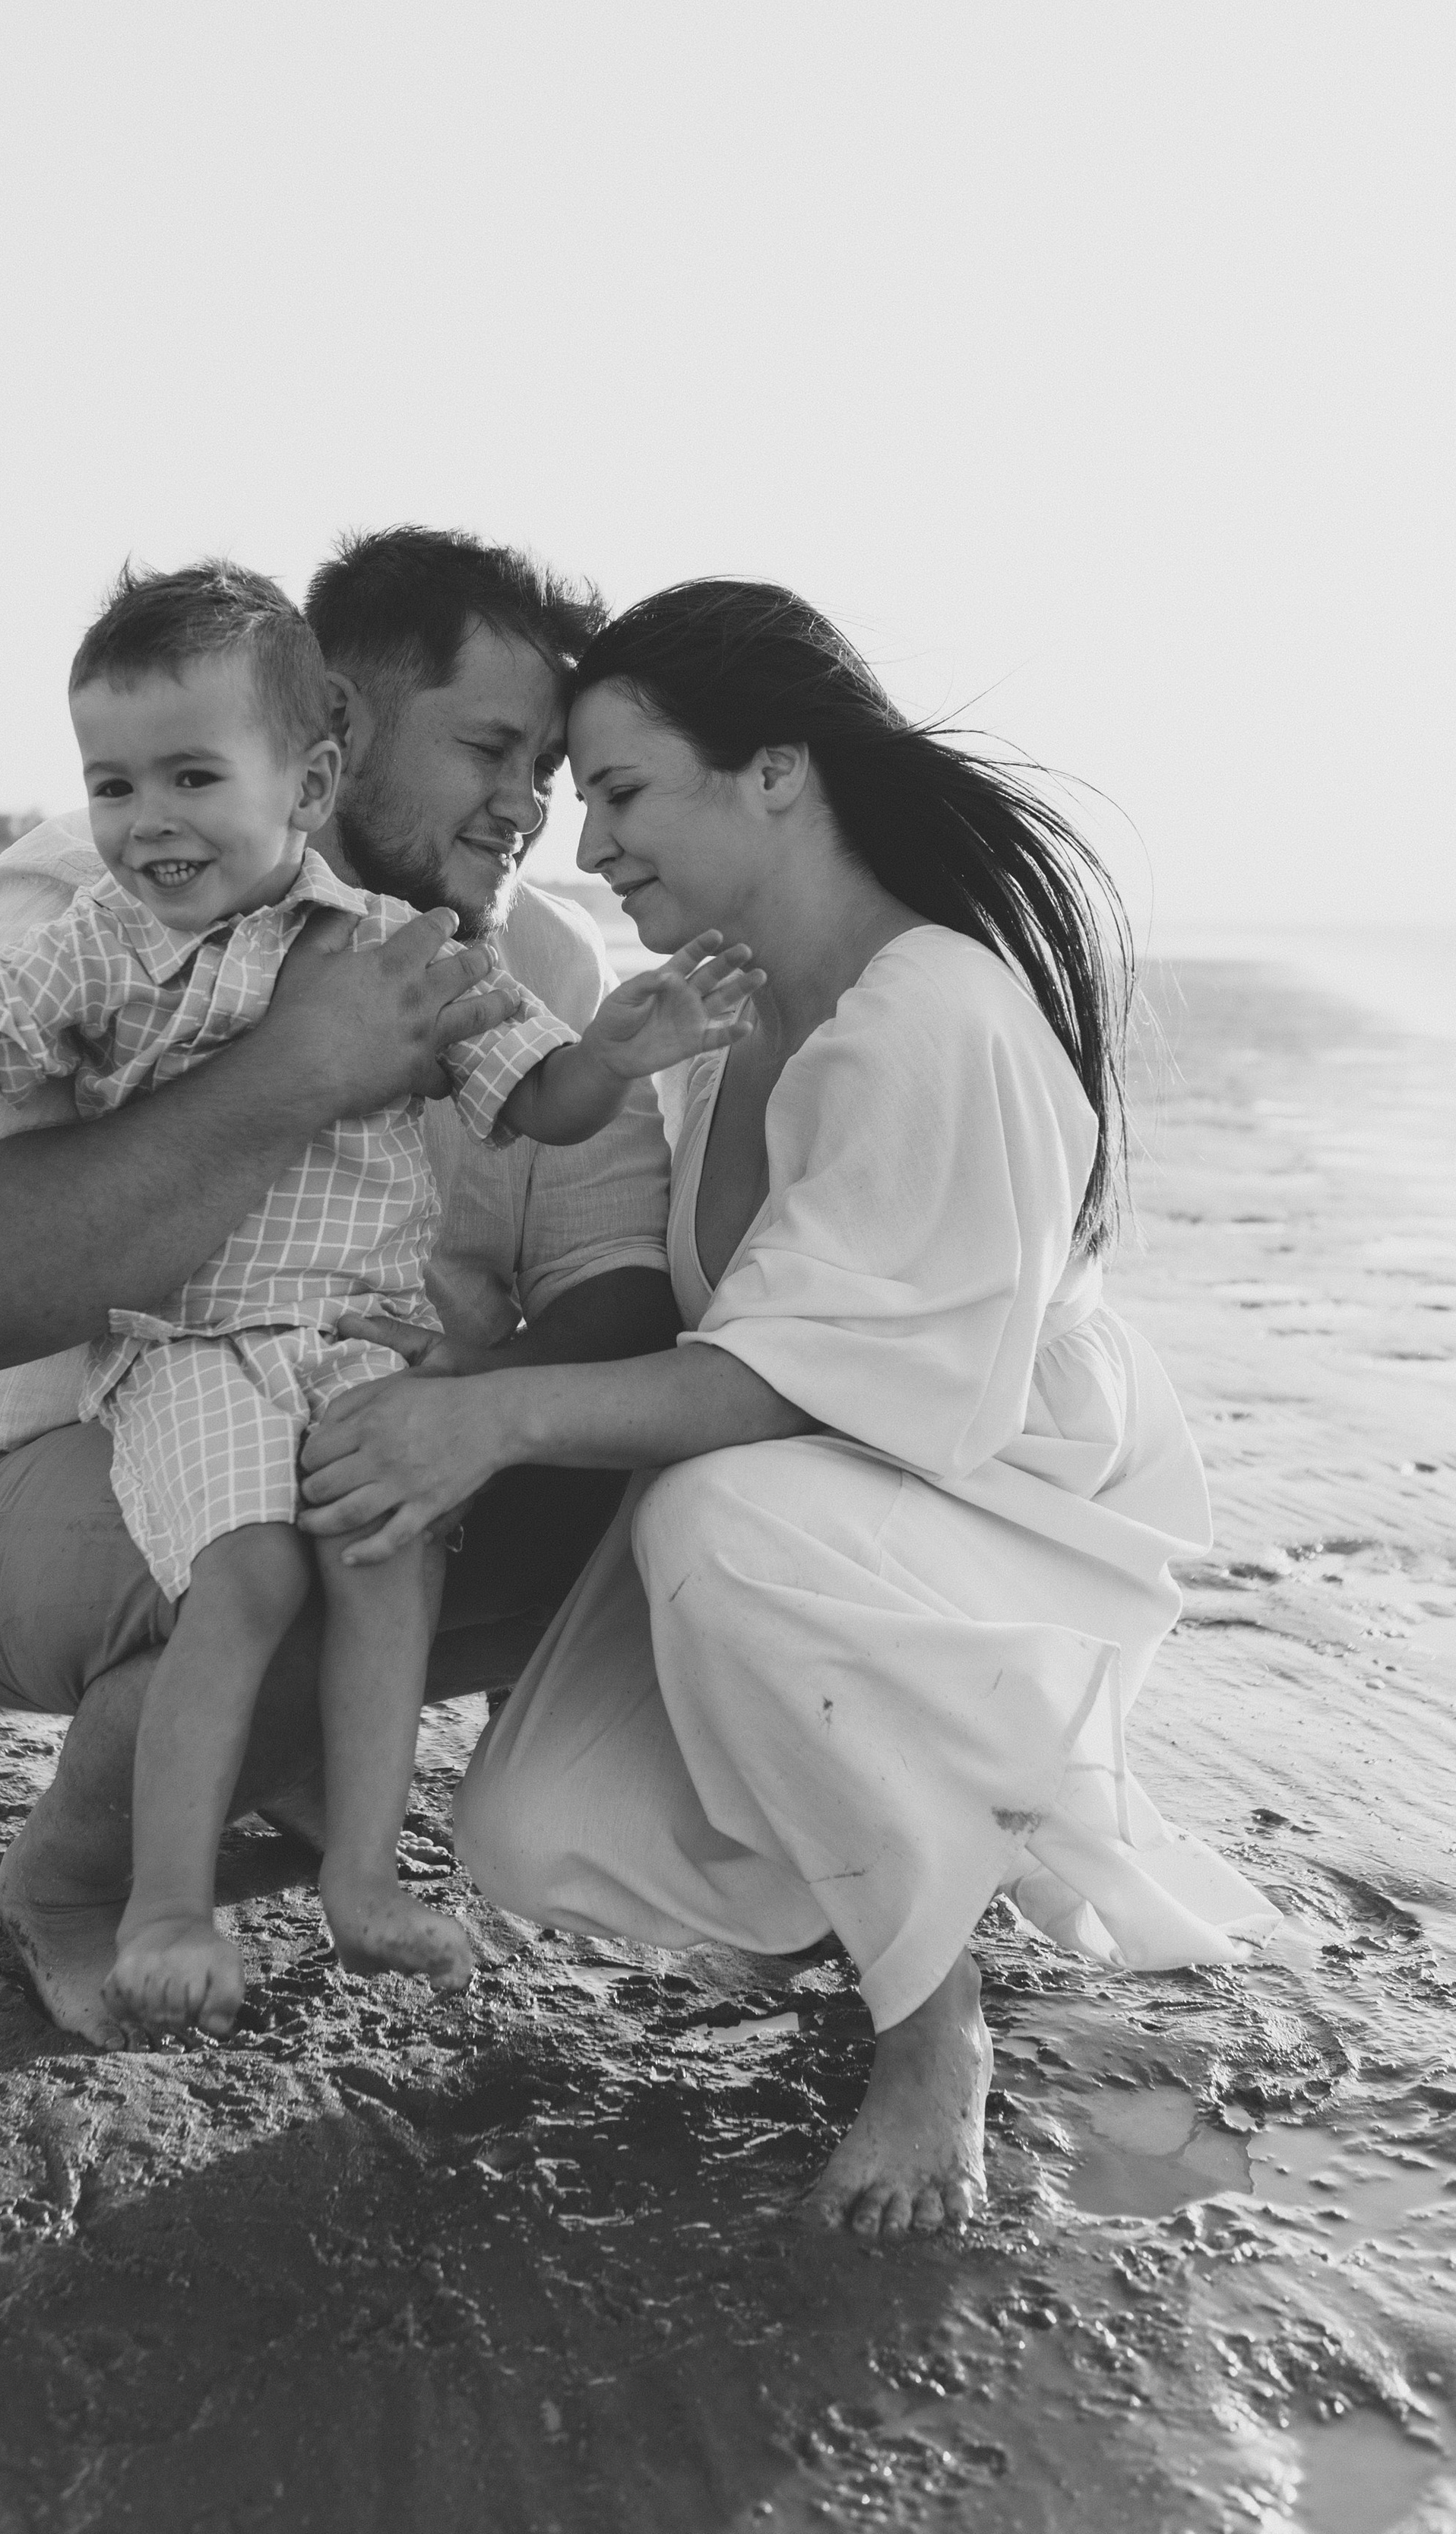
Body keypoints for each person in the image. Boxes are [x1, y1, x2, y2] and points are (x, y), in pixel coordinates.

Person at [299, 578, 1280, 2240]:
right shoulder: (727, 1016)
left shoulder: (931, 1013)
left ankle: (930, 2031)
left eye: (617, 790)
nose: (584, 843)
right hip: (818, 1496)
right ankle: (885, 1893)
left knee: (710, 1516)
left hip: (986, 1499)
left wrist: (489, 1421)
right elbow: (722, 1320)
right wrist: (450, 1371)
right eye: (575, 796)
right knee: (535, 1832)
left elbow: (787, 1380)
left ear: (773, 771)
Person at [0, 563, 753, 2037]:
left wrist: (459, 1418)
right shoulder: (105, 893)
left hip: (326, 1397)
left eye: (551, 770)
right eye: (489, 753)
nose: (530, 807)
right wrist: (307, 1063)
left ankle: (311, 1784)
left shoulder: (529, 955)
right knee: (275, 1560)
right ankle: (74, 1888)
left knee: (594, 1490)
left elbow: (615, 1291)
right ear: (342, 738)